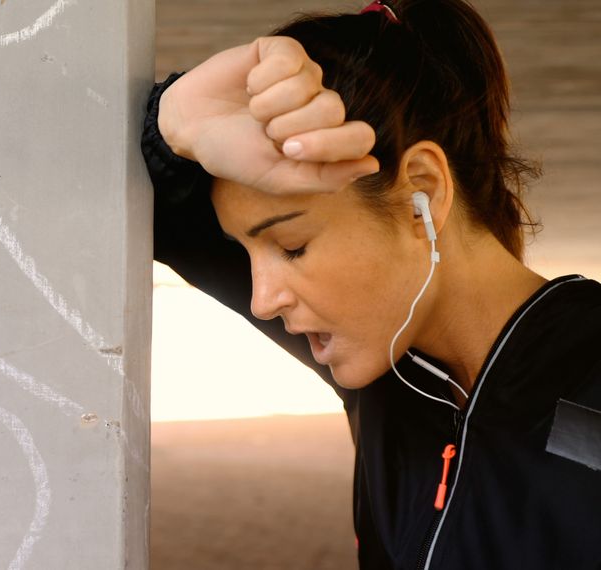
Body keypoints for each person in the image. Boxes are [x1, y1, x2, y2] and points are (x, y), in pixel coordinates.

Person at [142, 0, 601, 568]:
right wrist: (174, 122)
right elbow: (134, 213)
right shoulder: (385, 367)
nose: (262, 300)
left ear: (422, 195)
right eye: (245, 252)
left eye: (291, 247)